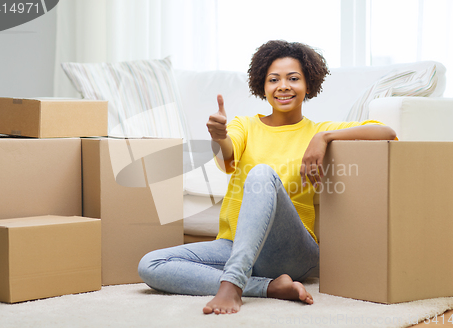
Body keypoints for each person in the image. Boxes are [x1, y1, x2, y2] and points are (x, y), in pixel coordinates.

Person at [138, 40, 397, 315]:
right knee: (151, 264)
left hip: (293, 252)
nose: (283, 86)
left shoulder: (319, 130)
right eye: (274, 79)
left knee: (261, 174)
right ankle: (269, 287)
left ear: (308, 85)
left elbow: (386, 132)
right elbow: (227, 151)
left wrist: (325, 137)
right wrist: (219, 137)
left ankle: (233, 285)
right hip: (236, 247)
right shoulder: (245, 126)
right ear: (263, 86)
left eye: (293, 78)